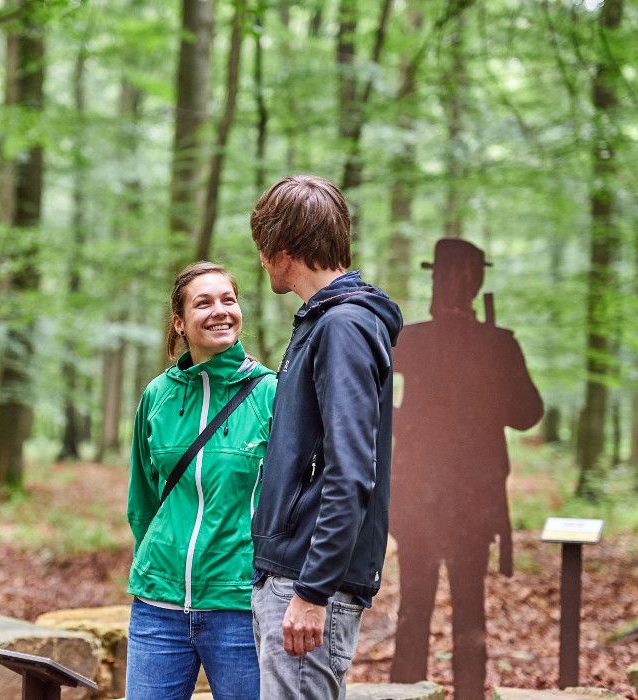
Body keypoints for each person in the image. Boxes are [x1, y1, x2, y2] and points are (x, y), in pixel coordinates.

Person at [249, 175, 402, 700]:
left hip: (311, 581)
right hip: (296, 574)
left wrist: (312, 592)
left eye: (261, 250)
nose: (261, 262)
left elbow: (352, 470)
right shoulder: (325, 324)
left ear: (280, 250)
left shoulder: (343, 327)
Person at [389, 238, 543, 698]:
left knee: (422, 609)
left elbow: (525, 414)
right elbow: (526, 413)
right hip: (445, 500)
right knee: (454, 609)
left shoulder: (414, 340)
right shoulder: (492, 344)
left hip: (438, 501)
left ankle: (413, 693)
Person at [125, 261, 276, 700]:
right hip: (158, 606)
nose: (220, 311)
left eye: (228, 299)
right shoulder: (157, 396)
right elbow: (143, 499)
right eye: (203, 302)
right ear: (179, 322)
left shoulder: (270, 393)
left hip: (238, 604)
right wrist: (159, 563)